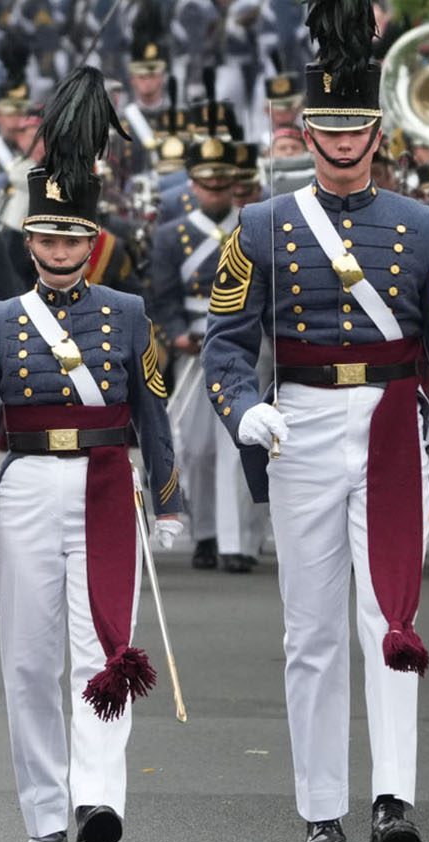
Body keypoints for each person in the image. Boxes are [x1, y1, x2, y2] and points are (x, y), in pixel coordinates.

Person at [200, 0, 429, 842]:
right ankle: (321, 805)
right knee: (311, 626)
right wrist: (242, 403)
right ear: (305, 128)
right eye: (325, 123)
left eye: (354, 123)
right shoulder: (260, 226)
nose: (340, 138)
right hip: (302, 424)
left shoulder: (427, 227)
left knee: (389, 612)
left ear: (376, 129)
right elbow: (223, 341)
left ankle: (393, 798)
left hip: (394, 420)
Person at [0, 68, 184, 842]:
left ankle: (98, 801)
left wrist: (171, 496)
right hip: (25, 490)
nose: (57, 250)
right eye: (46, 238)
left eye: (71, 239)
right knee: (27, 658)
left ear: (92, 243)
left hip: (107, 486)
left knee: (104, 647)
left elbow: (151, 411)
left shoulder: (128, 314)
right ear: (30, 242)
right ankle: (45, 808)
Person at [152, 135, 259, 573]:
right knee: (195, 449)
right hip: (193, 347)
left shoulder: (255, 227)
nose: (214, 191)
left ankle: (241, 543)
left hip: (245, 345)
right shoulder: (170, 235)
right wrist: (176, 334)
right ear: (192, 186)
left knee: (239, 445)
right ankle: (208, 535)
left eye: (222, 183)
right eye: (206, 184)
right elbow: (162, 294)